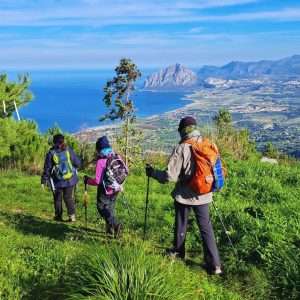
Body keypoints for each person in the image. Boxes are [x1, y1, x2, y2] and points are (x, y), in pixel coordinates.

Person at [145, 116, 222, 275]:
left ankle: (179, 253)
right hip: (205, 193)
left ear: (182, 131)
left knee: (181, 224)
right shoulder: (208, 143)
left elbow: (170, 177)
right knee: (206, 228)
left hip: (185, 195)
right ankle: (215, 265)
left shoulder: (182, 148)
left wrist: (153, 173)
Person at [84, 136, 122, 237]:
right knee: (110, 208)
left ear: (99, 149)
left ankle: (115, 224)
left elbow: (97, 181)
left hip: (105, 190)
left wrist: (87, 180)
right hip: (116, 188)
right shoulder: (116, 156)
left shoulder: (101, 162)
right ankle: (110, 230)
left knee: (101, 208)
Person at [41, 134, 81, 222]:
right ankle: (72, 216)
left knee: (57, 199)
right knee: (68, 197)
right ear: (63, 141)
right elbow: (77, 163)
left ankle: (58, 216)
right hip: (70, 179)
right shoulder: (68, 149)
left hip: (57, 180)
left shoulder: (51, 153)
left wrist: (44, 180)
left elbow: (47, 168)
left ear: (53, 142)